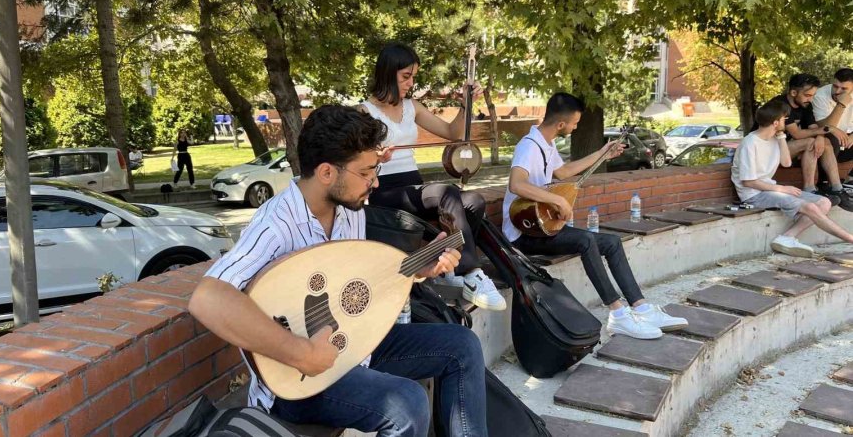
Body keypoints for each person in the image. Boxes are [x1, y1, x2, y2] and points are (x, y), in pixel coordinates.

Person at [188, 105, 488, 437]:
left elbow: (356, 284)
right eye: (366, 172)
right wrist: (303, 354)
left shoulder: (350, 210)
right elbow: (207, 298)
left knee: (462, 345)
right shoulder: (277, 224)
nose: (374, 182)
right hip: (296, 384)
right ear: (328, 172)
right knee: (406, 403)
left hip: (353, 348)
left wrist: (419, 269)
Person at [502, 92, 688, 340]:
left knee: (611, 242)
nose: (576, 126)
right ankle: (617, 314)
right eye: (575, 123)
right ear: (561, 124)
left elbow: (564, 171)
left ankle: (641, 307)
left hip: (542, 226)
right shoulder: (529, 146)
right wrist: (556, 199)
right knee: (586, 240)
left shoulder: (546, 143)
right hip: (522, 233)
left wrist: (602, 154)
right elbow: (517, 184)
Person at [360, 43, 506, 311]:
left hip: (413, 186)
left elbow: (453, 133)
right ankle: (469, 272)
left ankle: (451, 263)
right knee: (445, 191)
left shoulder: (412, 107)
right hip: (385, 191)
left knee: (474, 201)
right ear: (387, 73)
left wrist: (466, 104)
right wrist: (376, 157)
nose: (411, 83)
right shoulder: (364, 112)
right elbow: (355, 163)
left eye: (413, 76)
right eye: (406, 76)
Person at [733, 98, 853, 257]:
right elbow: (748, 181)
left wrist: (781, 138)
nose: (787, 121)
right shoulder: (750, 143)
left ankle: (787, 237)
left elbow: (786, 162)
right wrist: (781, 188)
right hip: (753, 195)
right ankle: (850, 239)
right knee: (809, 207)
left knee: (824, 202)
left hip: (769, 189)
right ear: (776, 122)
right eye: (784, 119)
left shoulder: (774, 138)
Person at [758, 74, 852, 210]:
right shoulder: (780, 106)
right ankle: (810, 189)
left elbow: (815, 129)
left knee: (824, 142)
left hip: (785, 148)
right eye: (808, 95)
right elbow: (797, 134)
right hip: (767, 150)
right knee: (810, 142)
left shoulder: (805, 105)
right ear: (793, 92)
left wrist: (821, 136)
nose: (811, 99)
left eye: (813, 95)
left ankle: (837, 188)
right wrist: (828, 129)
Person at [813, 68, 853, 181]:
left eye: (844, 88)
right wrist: (841, 104)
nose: (837, 91)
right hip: (826, 141)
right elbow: (825, 128)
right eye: (835, 86)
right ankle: (825, 182)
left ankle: (850, 179)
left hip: (846, 142)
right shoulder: (820, 96)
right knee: (831, 139)